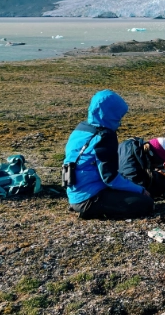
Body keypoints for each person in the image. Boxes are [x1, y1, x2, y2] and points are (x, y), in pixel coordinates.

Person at [64, 90, 154, 220]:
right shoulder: (105, 137)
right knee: (146, 203)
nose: (120, 121)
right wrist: (140, 190)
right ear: (111, 114)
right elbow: (110, 179)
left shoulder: (81, 128)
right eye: (118, 116)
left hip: (74, 193)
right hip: (90, 198)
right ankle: (95, 210)